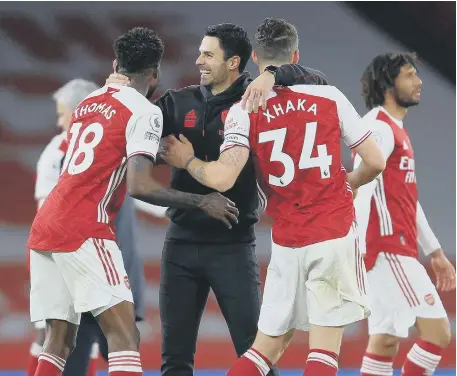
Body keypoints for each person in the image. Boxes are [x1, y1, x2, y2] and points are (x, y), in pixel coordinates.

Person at [162, 17, 386, 376]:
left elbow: (221, 177)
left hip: (286, 241)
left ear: (253, 57)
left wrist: (186, 160)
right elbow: (375, 160)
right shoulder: (328, 96)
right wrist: (350, 181)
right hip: (332, 232)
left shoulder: (243, 112)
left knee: (262, 350)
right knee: (324, 351)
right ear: (295, 55)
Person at [108, 22, 329, 376]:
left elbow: (317, 80)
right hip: (180, 245)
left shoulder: (258, 100)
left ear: (234, 62)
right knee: (174, 361)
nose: (198, 61)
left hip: (233, 246)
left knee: (254, 354)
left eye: (208, 54)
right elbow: (130, 130)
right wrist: (116, 89)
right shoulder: (176, 102)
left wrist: (272, 74)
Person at [27, 27, 237, 376]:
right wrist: (202, 202)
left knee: (58, 341)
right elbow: (139, 186)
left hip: (47, 224)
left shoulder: (88, 104)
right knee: (124, 335)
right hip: (84, 228)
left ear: (114, 64)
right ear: (155, 73)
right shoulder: (143, 111)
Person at [353, 52, 455, 376]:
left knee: (383, 343)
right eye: (410, 75)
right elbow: (361, 185)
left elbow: (409, 200)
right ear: (388, 84)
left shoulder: (393, 129)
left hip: (393, 248)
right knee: (438, 333)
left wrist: (435, 252)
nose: (419, 81)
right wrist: (356, 244)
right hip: (386, 249)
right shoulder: (378, 128)